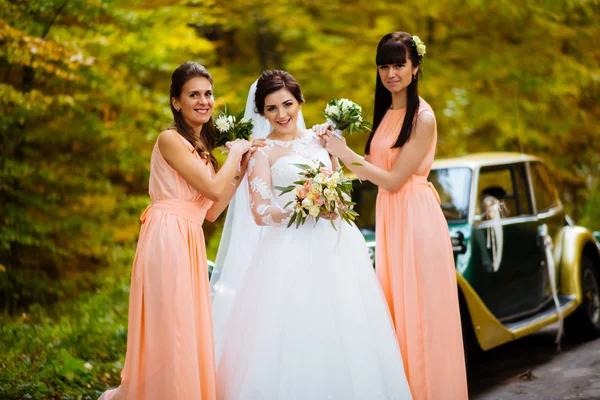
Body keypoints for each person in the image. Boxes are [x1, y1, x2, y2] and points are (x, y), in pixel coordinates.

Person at [213, 70, 412, 400]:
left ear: (300, 101)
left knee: (348, 328)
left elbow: (343, 192)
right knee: (297, 333)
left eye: (287, 104)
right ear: (262, 113)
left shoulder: (322, 139)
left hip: (338, 248)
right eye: (272, 108)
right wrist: (302, 205)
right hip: (288, 252)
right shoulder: (262, 152)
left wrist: (335, 202)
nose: (282, 114)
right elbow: (261, 212)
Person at [99, 61, 262, 400]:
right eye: (193, 95)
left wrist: (240, 170)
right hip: (167, 236)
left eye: (208, 93)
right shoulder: (170, 139)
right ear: (176, 102)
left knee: (184, 325)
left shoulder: (202, 150)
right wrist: (236, 152)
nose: (204, 101)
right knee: (170, 324)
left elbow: (213, 210)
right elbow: (214, 191)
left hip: (189, 236)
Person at [322, 32, 468, 399]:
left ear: (416, 67)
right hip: (391, 218)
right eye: (384, 65)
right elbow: (369, 170)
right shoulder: (387, 112)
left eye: (399, 64)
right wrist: (331, 150)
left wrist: (345, 151)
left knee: (420, 313)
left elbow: (392, 180)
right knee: (394, 311)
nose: (391, 73)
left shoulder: (424, 117)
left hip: (416, 217)